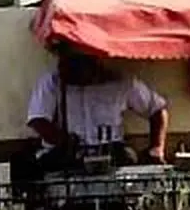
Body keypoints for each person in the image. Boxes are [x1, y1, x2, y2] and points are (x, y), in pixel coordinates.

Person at [26, 48, 169, 169]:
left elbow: (157, 110)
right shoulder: (51, 82)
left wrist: (156, 148)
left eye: (76, 65)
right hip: (67, 156)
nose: (66, 70)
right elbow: (38, 120)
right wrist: (62, 140)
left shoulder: (121, 82)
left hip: (112, 154)